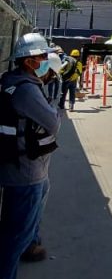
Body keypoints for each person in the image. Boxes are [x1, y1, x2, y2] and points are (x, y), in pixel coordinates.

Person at [0, 33, 60, 279]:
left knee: (12, 237)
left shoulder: (10, 80)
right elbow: (53, 121)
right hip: (25, 174)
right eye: (40, 58)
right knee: (13, 240)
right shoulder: (26, 90)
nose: (44, 63)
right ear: (29, 61)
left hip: (18, 170)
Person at [20, 52, 64, 263]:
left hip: (31, 159)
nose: (51, 78)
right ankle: (28, 244)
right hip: (27, 163)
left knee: (40, 194)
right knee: (29, 207)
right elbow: (53, 123)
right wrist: (54, 110)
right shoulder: (28, 89)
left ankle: (30, 240)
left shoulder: (31, 86)